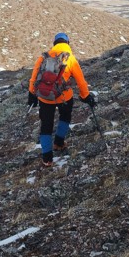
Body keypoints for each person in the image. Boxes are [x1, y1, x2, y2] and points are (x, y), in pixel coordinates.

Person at [28, 32, 95, 166]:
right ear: (67, 43)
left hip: (45, 97)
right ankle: (59, 143)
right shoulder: (70, 59)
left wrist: (32, 94)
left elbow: (34, 77)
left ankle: (47, 158)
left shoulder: (43, 57)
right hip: (64, 97)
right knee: (65, 117)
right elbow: (81, 81)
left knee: (46, 126)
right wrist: (85, 96)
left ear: (54, 43)